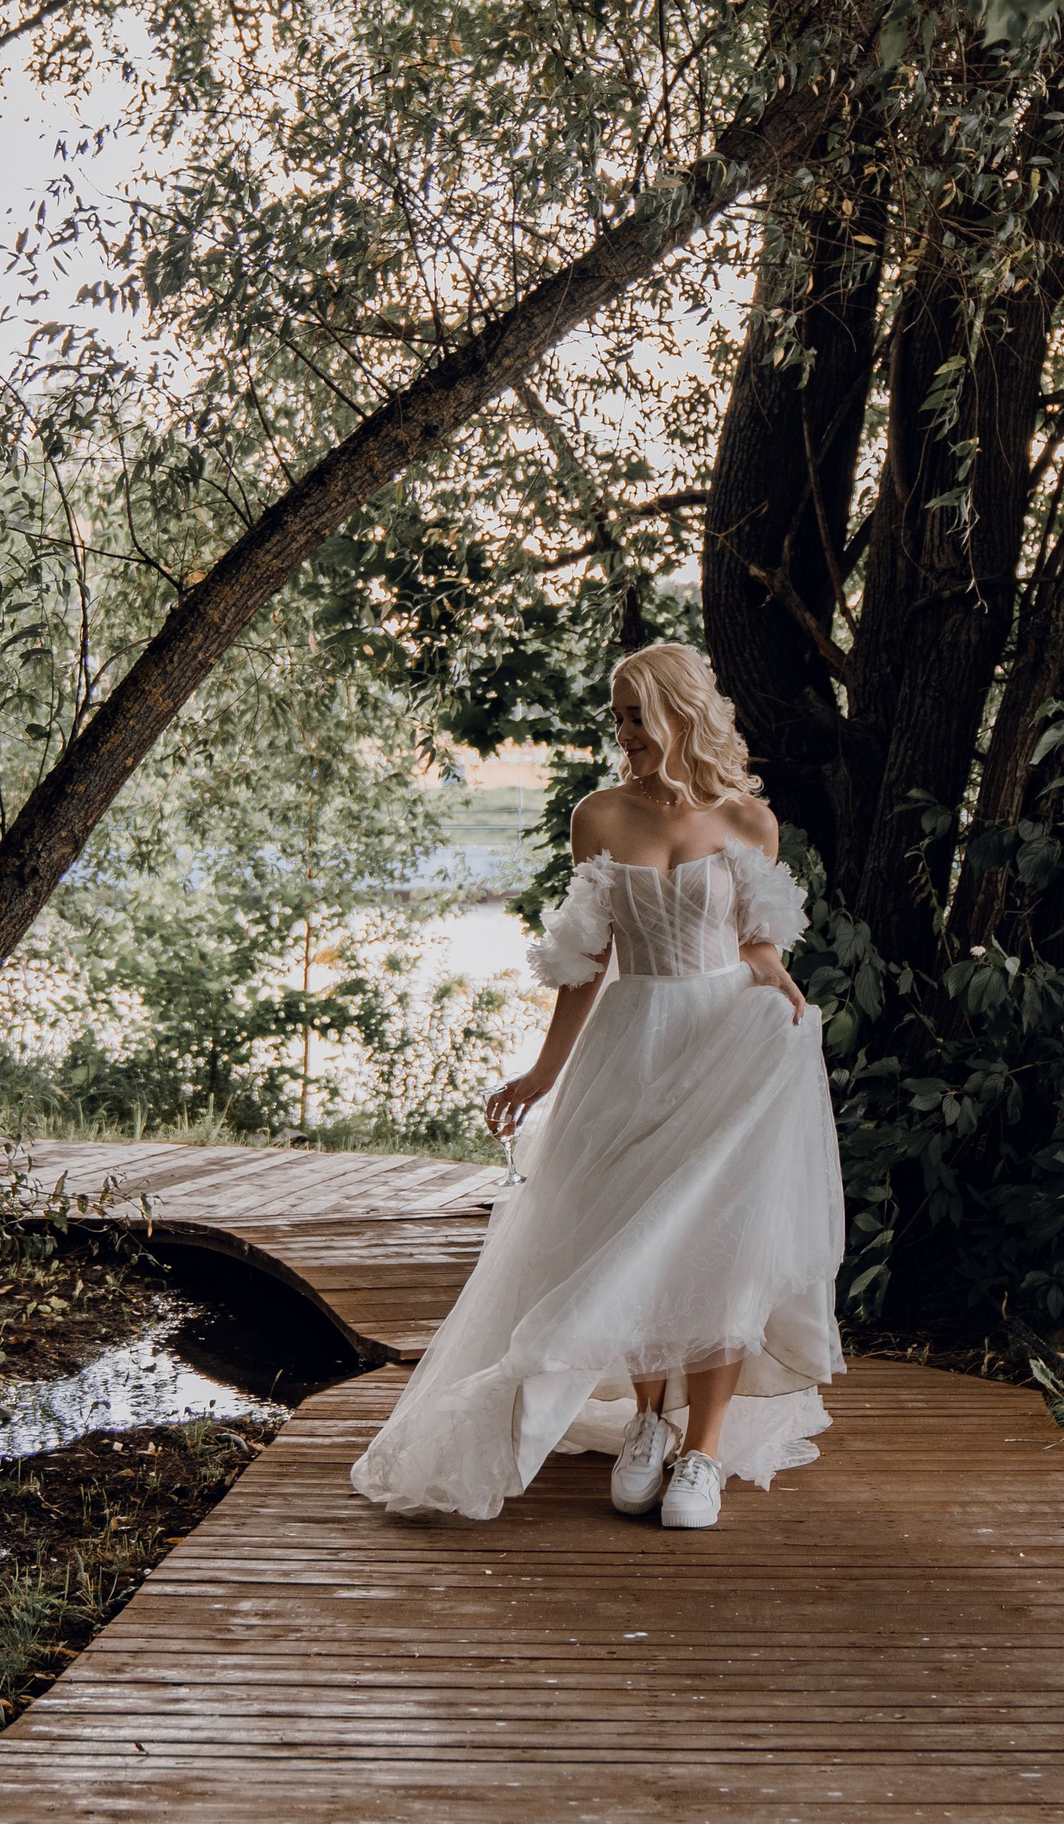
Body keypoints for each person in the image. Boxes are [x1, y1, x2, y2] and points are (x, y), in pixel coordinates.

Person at [349, 642, 845, 1530]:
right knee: (628, 1236)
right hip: (634, 1043)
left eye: (635, 713)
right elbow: (588, 962)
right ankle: (649, 1423)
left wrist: (775, 977)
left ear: (682, 712)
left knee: (719, 1243)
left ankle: (705, 1448)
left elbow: (758, 942)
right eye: (616, 714)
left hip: (730, 1042)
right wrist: (543, 1071)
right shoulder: (600, 815)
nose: (624, 732)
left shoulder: (748, 820)